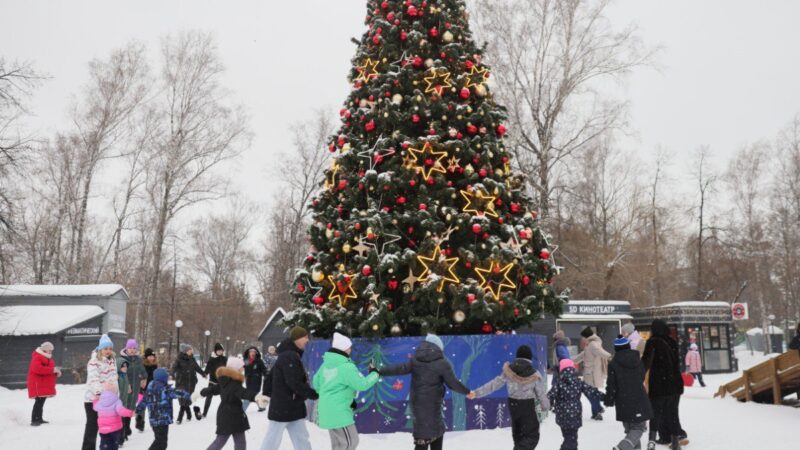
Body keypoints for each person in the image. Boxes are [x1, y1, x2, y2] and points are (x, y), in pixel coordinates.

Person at [377, 334, 473, 450]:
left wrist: (379, 371)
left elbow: (398, 368)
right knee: (436, 433)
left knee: (422, 435)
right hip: (433, 405)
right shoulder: (442, 363)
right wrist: (467, 392)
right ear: (438, 348)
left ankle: (421, 442)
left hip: (417, 405)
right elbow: (453, 384)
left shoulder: (415, 361)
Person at [473, 344, 550, 449]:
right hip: (527, 408)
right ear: (529, 358)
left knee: (519, 438)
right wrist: (545, 405)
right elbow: (541, 393)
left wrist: (477, 393)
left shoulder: (508, 371)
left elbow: (494, 384)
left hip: (514, 407)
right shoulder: (535, 374)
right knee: (532, 436)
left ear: (517, 356)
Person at [313, 332, 380, 450]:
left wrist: (339, 396)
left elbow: (316, 384)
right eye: (349, 347)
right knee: (351, 442)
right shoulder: (346, 367)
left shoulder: (325, 365)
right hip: (339, 413)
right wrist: (375, 373)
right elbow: (362, 384)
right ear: (344, 349)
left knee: (338, 445)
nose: (350, 350)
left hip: (326, 410)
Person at [259, 326, 319, 450]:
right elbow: (293, 381)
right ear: (297, 338)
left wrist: (266, 393)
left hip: (292, 406)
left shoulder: (289, 354)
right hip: (283, 406)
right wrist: (311, 393)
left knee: (301, 439)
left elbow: (270, 377)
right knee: (272, 441)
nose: (307, 340)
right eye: (305, 337)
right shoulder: (289, 356)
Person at [200, 357, 269, 450]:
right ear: (235, 369)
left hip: (228, 414)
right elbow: (244, 393)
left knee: (233, 441)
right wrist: (256, 397)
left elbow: (212, 389)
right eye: (241, 367)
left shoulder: (225, 381)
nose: (243, 369)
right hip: (232, 415)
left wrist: (201, 393)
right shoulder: (234, 383)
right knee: (224, 441)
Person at [642, 319, 684, 450]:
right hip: (675, 384)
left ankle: (652, 443)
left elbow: (645, 363)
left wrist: (637, 375)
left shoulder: (652, 342)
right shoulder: (672, 341)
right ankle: (675, 443)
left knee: (655, 414)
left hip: (659, 385)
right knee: (673, 413)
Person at [604, 337, 653, 450]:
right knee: (638, 428)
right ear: (628, 347)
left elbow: (611, 385)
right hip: (639, 398)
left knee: (631, 430)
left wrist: (609, 400)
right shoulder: (638, 360)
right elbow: (641, 376)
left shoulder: (613, 364)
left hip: (623, 402)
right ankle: (622, 447)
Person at [547, 359, 603, 450]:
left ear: (561, 370)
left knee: (569, 438)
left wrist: (546, 403)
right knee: (571, 438)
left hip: (562, 416)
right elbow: (591, 391)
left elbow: (550, 396)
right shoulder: (578, 382)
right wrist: (604, 397)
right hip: (575, 415)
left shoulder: (558, 384)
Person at [136, 368, 191, 450]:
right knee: (160, 442)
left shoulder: (149, 390)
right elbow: (177, 392)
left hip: (154, 421)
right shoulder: (165, 389)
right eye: (166, 377)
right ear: (163, 378)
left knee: (161, 442)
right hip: (163, 420)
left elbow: (143, 402)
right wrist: (187, 394)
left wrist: (137, 410)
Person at [82, 334, 119, 450]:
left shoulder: (112, 361)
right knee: (92, 425)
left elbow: (114, 379)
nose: (108, 351)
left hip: (107, 400)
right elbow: (93, 379)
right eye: (105, 348)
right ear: (100, 349)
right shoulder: (94, 362)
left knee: (106, 425)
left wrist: (115, 395)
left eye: (110, 348)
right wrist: (99, 392)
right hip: (93, 399)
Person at [573, 326, 611, 420]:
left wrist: (611, 357)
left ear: (586, 336)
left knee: (590, 393)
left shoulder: (593, 344)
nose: (582, 339)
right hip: (590, 372)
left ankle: (599, 408)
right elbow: (583, 355)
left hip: (591, 373)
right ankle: (597, 411)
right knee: (592, 393)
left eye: (583, 337)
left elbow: (601, 353)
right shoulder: (590, 344)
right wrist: (570, 361)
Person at [117, 339, 146, 443]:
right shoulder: (122, 359)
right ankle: (122, 433)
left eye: (134, 348)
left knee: (130, 408)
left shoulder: (138, 360)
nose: (132, 350)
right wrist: (126, 384)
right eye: (130, 348)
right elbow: (119, 372)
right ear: (126, 349)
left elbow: (143, 370)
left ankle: (127, 427)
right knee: (124, 408)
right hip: (125, 388)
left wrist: (144, 378)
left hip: (135, 388)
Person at [27, 341, 61, 426]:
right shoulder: (37, 357)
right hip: (38, 384)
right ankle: (34, 420)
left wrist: (56, 372)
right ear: (45, 349)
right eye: (50, 350)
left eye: (51, 350)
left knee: (41, 402)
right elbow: (37, 369)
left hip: (43, 384)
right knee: (39, 402)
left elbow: (49, 370)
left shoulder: (47, 358)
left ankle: (39, 418)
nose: (51, 351)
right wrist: (52, 370)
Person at [171, 343, 206, 423]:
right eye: (189, 350)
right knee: (183, 400)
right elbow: (174, 368)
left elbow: (197, 368)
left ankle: (188, 415)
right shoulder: (179, 359)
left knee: (186, 399)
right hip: (181, 383)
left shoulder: (192, 359)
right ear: (185, 351)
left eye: (191, 350)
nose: (191, 351)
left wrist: (203, 374)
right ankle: (180, 418)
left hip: (191, 383)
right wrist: (171, 374)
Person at [94, 384, 134, 450]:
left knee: (104, 443)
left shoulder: (100, 401)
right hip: (114, 429)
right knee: (114, 444)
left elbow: (95, 407)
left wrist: (95, 400)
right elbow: (121, 411)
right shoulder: (117, 401)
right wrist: (130, 413)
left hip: (103, 429)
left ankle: (104, 447)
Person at [203, 342, 228, 418]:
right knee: (208, 397)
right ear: (215, 351)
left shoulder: (225, 359)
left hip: (222, 382)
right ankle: (204, 413)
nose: (220, 352)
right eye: (218, 350)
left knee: (224, 398)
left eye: (221, 350)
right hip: (212, 382)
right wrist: (205, 373)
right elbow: (208, 368)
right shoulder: (212, 359)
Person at [136, 348, 159, 432]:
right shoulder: (142, 365)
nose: (151, 358)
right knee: (142, 408)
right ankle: (140, 424)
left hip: (153, 390)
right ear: (146, 357)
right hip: (143, 389)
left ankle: (155, 423)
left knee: (153, 407)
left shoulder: (155, 365)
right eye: (150, 356)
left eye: (153, 356)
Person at [242, 346, 268, 412]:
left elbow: (264, 370)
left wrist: (267, 375)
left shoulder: (259, 361)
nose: (252, 353)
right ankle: (261, 406)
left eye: (254, 352)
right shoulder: (246, 361)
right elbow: (241, 367)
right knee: (254, 395)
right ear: (248, 353)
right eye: (251, 352)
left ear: (256, 353)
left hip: (256, 380)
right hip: (248, 380)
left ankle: (241, 409)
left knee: (249, 395)